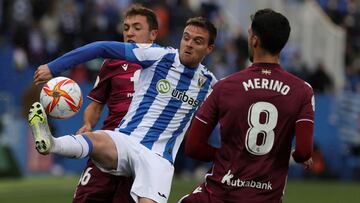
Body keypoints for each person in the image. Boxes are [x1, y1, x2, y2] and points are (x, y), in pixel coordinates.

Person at [29, 16, 217, 203]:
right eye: (186, 38)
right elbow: (101, 48)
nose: (189, 44)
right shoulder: (158, 55)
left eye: (197, 41)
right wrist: (54, 67)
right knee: (96, 139)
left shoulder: (210, 85)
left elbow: (234, 111)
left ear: (209, 49)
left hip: (159, 160)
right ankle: (51, 143)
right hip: (127, 140)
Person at [178, 9, 314, 203]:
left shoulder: (224, 86)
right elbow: (304, 152)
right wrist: (298, 156)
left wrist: (229, 156)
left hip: (219, 194)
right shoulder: (302, 91)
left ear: (255, 40)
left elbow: (193, 147)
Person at [73, 5, 159, 203]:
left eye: (137, 28)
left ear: (153, 34)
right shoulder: (112, 62)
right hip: (108, 144)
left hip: (142, 150)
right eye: (127, 27)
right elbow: (95, 106)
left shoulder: (166, 62)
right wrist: (88, 125)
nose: (130, 32)